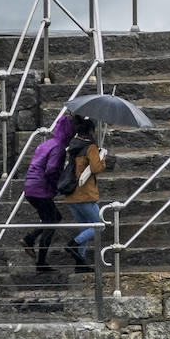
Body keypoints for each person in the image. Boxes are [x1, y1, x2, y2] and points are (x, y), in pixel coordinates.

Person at [20, 114, 75, 273]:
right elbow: (51, 169)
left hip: (31, 186)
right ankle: (41, 262)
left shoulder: (47, 143)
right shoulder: (58, 148)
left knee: (52, 218)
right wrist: (55, 186)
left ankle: (29, 239)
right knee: (51, 221)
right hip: (41, 189)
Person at [59, 116, 108, 271]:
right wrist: (102, 158)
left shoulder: (73, 146)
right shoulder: (90, 147)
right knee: (99, 226)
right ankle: (73, 244)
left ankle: (79, 263)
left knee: (84, 227)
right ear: (90, 130)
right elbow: (96, 168)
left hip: (71, 195)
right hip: (85, 195)